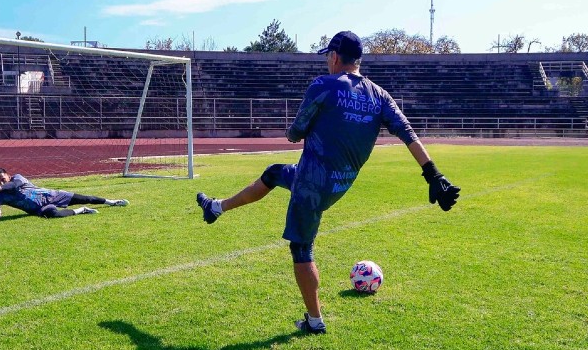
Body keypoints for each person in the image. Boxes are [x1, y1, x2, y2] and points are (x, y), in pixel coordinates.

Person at [195, 30, 460, 334]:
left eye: (327, 57)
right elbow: (407, 131)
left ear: (334, 57)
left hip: (312, 183)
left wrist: (306, 127)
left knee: (301, 247)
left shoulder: (323, 85)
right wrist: (433, 174)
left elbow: (295, 133)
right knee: (274, 173)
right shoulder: (380, 95)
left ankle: (315, 320)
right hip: (340, 183)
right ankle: (217, 207)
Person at [0, 168, 129, 218]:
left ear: (8, 175)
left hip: (53, 195)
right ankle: (82, 210)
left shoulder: (18, 177)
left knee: (87, 197)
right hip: (39, 209)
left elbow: (14, 185)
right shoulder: (0, 195)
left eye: (2, 178)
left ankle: (112, 202)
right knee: (50, 214)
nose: (1, 182)